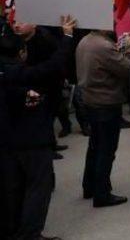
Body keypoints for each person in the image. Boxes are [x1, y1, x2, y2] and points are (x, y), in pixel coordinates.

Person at [1, 15, 76, 240]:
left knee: (13, 188)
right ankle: (31, 233)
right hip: (31, 140)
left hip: (7, 142)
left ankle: (13, 230)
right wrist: (68, 36)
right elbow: (54, 65)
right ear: (22, 54)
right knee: (38, 188)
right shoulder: (22, 74)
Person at [77, 28, 130, 208]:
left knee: (95, 147)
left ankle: (89, 186)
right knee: (106, 150)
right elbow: (127, 68)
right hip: (106, 101)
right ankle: (102, 193)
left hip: (91, 100)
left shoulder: (86, 40)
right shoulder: (103, 46)